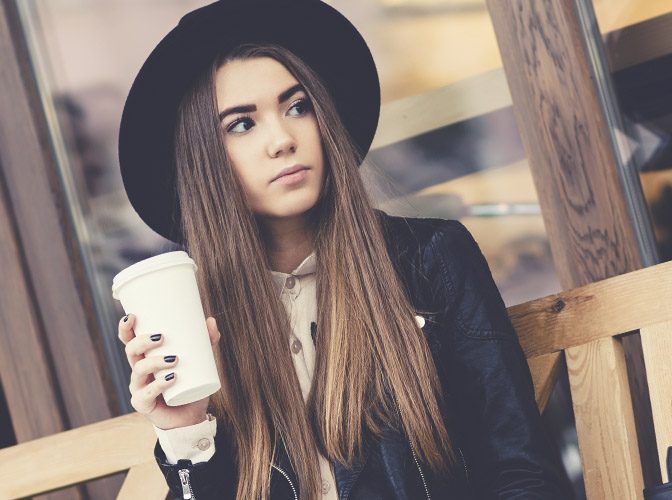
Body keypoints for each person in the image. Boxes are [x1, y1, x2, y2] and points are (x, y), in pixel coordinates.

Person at [116, 1, 573, 498]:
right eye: (242, 124)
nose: (283, 139)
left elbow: (523, 470)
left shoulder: (430, 262)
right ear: (204, 162)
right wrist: (185, 432)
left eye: (297, 106)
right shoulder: (203, 325)